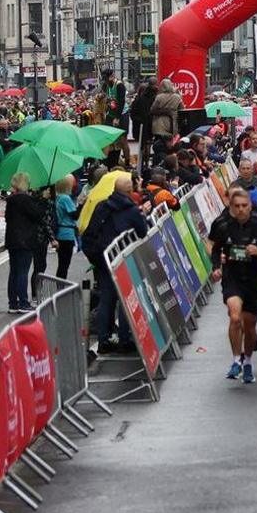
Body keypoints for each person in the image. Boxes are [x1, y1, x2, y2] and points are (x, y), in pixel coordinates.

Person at [209, 189, 257, 384]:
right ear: (231, 207)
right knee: (234, 316)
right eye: (236, 206)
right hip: (232, 279)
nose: (240, 210)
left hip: (252, 282)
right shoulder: (224, 228)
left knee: (249, 328)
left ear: (250, 207)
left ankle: (247, 361)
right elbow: (215, 251)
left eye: (244, 206)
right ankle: (235, 360)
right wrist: (216, 267)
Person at [81, 174, 149, 354]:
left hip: (104, 258)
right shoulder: (132, 210)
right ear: (129, 191)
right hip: (123, 258)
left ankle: (104, 339)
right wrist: (143, 215)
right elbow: (143, 232)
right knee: (125, 299)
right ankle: (124, 339)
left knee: (106, 298)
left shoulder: (102, 206)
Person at [4, 172, 46, 312]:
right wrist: (42, 200)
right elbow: (38, 215)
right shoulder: (26, 200)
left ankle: (13, 303)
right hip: (26, 239)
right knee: (23, 271)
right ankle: (23, 302)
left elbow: (7, 218)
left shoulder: (11, 200)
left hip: (12, 239)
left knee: (14, 271)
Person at [53, 175, 79, 279]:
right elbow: (75, 215)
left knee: (62, 264)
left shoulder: (58, 198)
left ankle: (60, 285)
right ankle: (61, 286)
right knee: (64, 264)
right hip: (67, 233)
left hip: (60, 233)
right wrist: (81, 204)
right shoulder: (66, 198)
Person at [150, 79, 184, 145]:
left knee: (159, 143)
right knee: (171, 143)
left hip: (159, 124)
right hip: (172, 123)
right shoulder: (177, 97)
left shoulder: (159, 97)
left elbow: (152, 110)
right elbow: (182, 109)